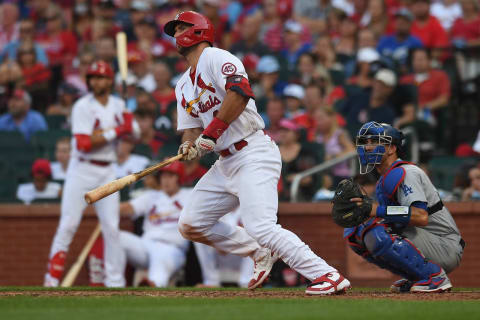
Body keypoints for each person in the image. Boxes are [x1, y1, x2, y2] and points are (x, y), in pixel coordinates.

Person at [163, 11, 350, 295]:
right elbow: (190, 128)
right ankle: (258, 251)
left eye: (180, 27)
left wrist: (210, 135)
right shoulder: (182, 85)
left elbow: (239, 92)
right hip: (224, 162)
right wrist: (188, 146)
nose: (176, 34)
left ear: (198, 30)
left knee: (260, 225)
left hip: (252, 152)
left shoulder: (216, 57)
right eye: (174, 30)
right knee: (190, 224)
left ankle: (327, 275)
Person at [44, 61, 141, 287]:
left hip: (107, 170)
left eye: (102, 77)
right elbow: (84, 143)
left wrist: (129, 125)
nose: (97, 81)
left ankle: (115, 282)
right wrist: (118, 130)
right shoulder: (82, 106)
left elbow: (135, 134)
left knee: (111, 227)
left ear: (110, 81)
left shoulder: (119, 105)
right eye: (93, 78)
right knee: (68, 224)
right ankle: (51, 281)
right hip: (81, 170)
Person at [345, 121, 464, 292]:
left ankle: (434, 276)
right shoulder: (384, 178)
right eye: (365, 142)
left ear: (392, 149)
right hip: (427, 240)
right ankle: (417, 275)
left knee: (376, 230)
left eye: (375, 142)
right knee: (355, 233)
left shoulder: (407, 172)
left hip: (444, 244)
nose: (368, 147)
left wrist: (375, 210)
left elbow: (420, 216)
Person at [118, 162, 190, 287]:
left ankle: (152, 285)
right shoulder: (151, 196)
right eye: (163, 176)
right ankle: (114, 283)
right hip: (145, 246)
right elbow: (129, 208)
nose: (166, 180)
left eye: (170, 176)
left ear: (179, 178)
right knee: (116, 236)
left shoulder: (190, 195)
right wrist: (108, 209)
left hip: (172, 248)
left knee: (160, 263)